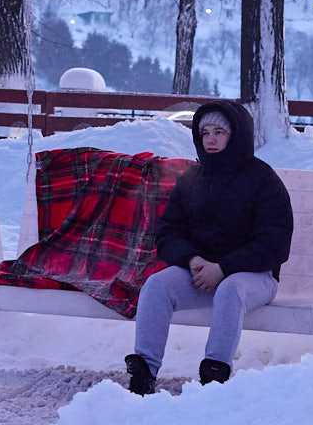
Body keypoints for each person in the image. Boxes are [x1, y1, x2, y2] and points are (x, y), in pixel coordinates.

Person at [125, 101, 293, 394]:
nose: (210, 139)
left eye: (219, 132)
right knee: (156, 286)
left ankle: (214, 377)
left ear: (236, 135)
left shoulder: (263, 180)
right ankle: (143, 373)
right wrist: (191, 260)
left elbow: (274, 244)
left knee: (230, 289)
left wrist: (224, 268)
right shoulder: (192, 179)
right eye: (205, 133)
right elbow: (168, 232)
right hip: (201, 273)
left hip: (254, 277)